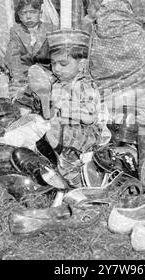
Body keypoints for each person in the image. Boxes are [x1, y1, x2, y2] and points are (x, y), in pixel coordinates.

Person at [27, 29, 108, 187]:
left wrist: (64, 109)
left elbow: (89, 116)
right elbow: (49, 115)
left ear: (82, 64)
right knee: (39, 128)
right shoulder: (57, 84)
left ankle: (73, 175)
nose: (56, 69)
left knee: (56, 134)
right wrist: (44, 98)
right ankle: (52, 164)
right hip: (61, 128)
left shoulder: (85, 84)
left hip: (86, 130)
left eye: (63, 64)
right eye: (53, 63)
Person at [5, 0, 57, 100]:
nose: (28, 16)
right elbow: (14, 58)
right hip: (23, 76)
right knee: (16, 97)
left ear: (40, 13)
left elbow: (55, 57)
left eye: (33, 12)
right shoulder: (16, 31)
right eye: (24, 13)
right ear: (19, 15)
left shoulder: (50, 30)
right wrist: (18, 80)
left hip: (45, 75)